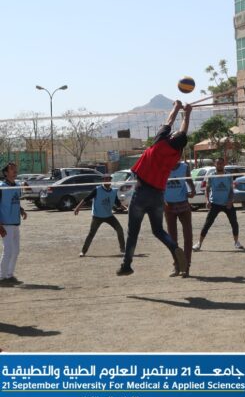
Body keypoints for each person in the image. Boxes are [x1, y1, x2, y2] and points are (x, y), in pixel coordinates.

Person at [117, 101, 191, 276]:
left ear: (171, 137)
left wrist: (177, 106)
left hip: (142, 193)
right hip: (158, 195)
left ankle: (126, 265)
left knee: (132, 233)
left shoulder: (160, 143)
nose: (172, 133)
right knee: (158, 230)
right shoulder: (176, 154)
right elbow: (183, 134)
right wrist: (187, 114)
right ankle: (174, 247)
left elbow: (169, 120)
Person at [193, 157, 243, 251]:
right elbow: (207, 189)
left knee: (234, 223)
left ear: (224, 164)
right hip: (215, 203)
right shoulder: (211, 176)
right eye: (218, 163)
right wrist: (207, 200)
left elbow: (232, 190)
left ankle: (236, 242)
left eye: (221, 163)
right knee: (207, 224)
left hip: (227, 203)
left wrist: (230, 201)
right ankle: (199, 244)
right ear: (215, 165)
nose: (219, 165)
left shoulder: (228, 175)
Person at [74, 174, 127, 257]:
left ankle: (123, 249)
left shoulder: (113, 191)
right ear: (103, 180)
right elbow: (86, 199)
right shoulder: (97, 190)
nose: (107, 180)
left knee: (119, 229)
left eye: (109, 179)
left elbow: (117, 203)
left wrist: (125, 208)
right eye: (106, 179)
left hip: (109, 216)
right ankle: (83, 251)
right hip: (97, 216)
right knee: (91, 234)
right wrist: (77, 208)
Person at [164, 161, 196, 277]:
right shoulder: (163, 166)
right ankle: (177, 265)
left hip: (183, 204)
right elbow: (159, 184)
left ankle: (186, 267)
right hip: (169, 206)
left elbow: (189, 181)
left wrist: (192, 190)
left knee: (188, 236)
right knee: (172, 239)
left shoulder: (184, 167)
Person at [0, 162, 27, 286]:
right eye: (12, 170)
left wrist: (21, 210)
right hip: (5, 223)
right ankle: (1, 276)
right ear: (6, 173)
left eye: (16, 170)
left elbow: (15, 201)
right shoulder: (1, 187)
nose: (15, 172)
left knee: (16, 250)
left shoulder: (16, 186)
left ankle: (9, 274)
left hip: (15, 223)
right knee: (8, 250)